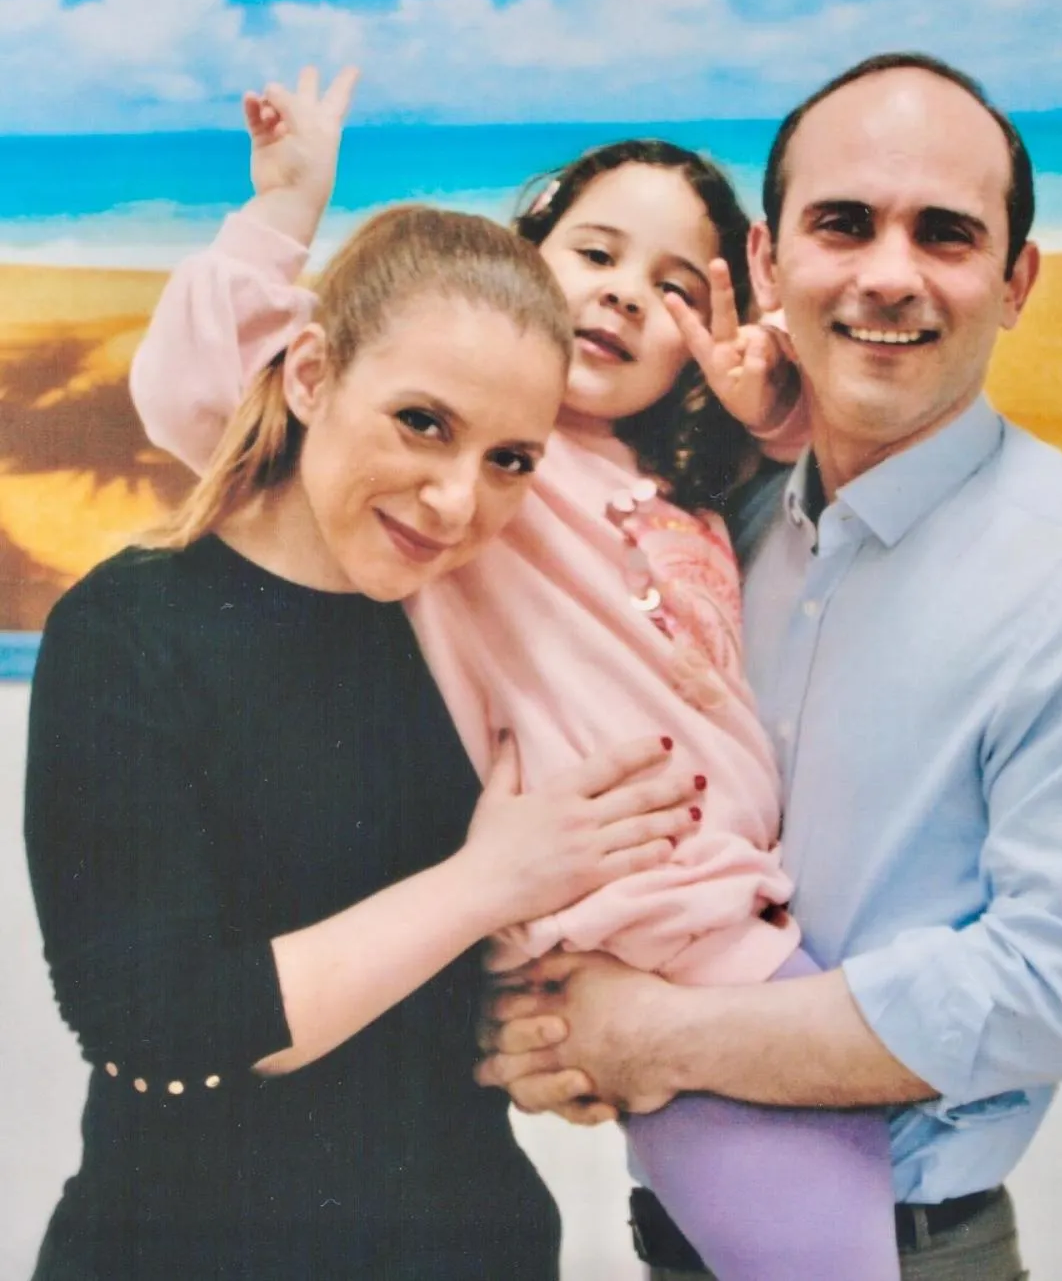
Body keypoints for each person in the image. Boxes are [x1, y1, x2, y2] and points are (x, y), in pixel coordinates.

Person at [128, 71, 902, 1277]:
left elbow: (826, 483)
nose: (623, 294)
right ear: (524, 254)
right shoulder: (482, 479)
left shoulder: (697, 488)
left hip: (736, 918)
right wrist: (282, 211)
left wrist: (773, 417)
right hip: (638, 927)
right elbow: (197, 391)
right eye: (594, 252)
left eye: (674, 288)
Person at [474, 52, 1062, 1281]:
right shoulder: (717, 528)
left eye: (947, 233)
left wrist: (656, 1037)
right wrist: (555, 1025)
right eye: (844, 224)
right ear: (768, 264)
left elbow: (1047, 989)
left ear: (1016, 282)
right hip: (675, 1233)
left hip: (906, 1250)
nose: (889, 274)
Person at [26, 203, 708, 1280]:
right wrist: (483, 885)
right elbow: (156, 1028)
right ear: (310, 376)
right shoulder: (129, 628)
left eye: (510, 460)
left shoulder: (478, 631)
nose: (456, 501)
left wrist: (557, 1036)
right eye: (422, 422)